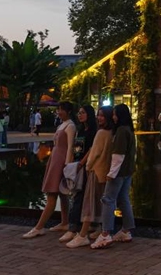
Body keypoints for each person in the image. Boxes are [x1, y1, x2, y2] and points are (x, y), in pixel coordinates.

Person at [22, 101, 77, 239]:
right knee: (61, 194)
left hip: (61, 161)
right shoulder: (61, 125)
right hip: (55, 159)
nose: (58, 112)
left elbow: (70, 147)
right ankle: (64, 222)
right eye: (58, 109)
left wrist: (67, 165)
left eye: (61, 110)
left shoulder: (70, 126)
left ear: (68, 111)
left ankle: (39, 227)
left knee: (52, 194)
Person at [66, 106, 114, 248]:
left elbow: (94, 153)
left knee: (89, 203)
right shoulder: (112, 132)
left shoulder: (100, 133)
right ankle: (100, 229)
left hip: (94, 170)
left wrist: (85, 166)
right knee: (100, 202)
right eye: (98, 115)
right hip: (105, 171)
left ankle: (82, 234)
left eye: (102, 116)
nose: (99, 118)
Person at [91, 103, 136, 249]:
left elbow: (118, 154)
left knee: (108, 200)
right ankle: (126, 230)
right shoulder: (129, 129)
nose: (114, 117)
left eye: (115, 114)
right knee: (123, 199)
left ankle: (105, 234)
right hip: (127, 171)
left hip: (118, 172)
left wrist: (111, 173)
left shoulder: (122, 131)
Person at [59, 105, 98, 244]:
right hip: (77, 164)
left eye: (83, 113)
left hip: (85, 166)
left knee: (79, 196)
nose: (80, 115)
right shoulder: (81, 130)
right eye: (79, 113)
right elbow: (77, 147)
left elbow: (92, 149)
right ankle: (77, 226)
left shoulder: (94, 131)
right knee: (76, 195)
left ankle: (73, 228)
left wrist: (81, 163)